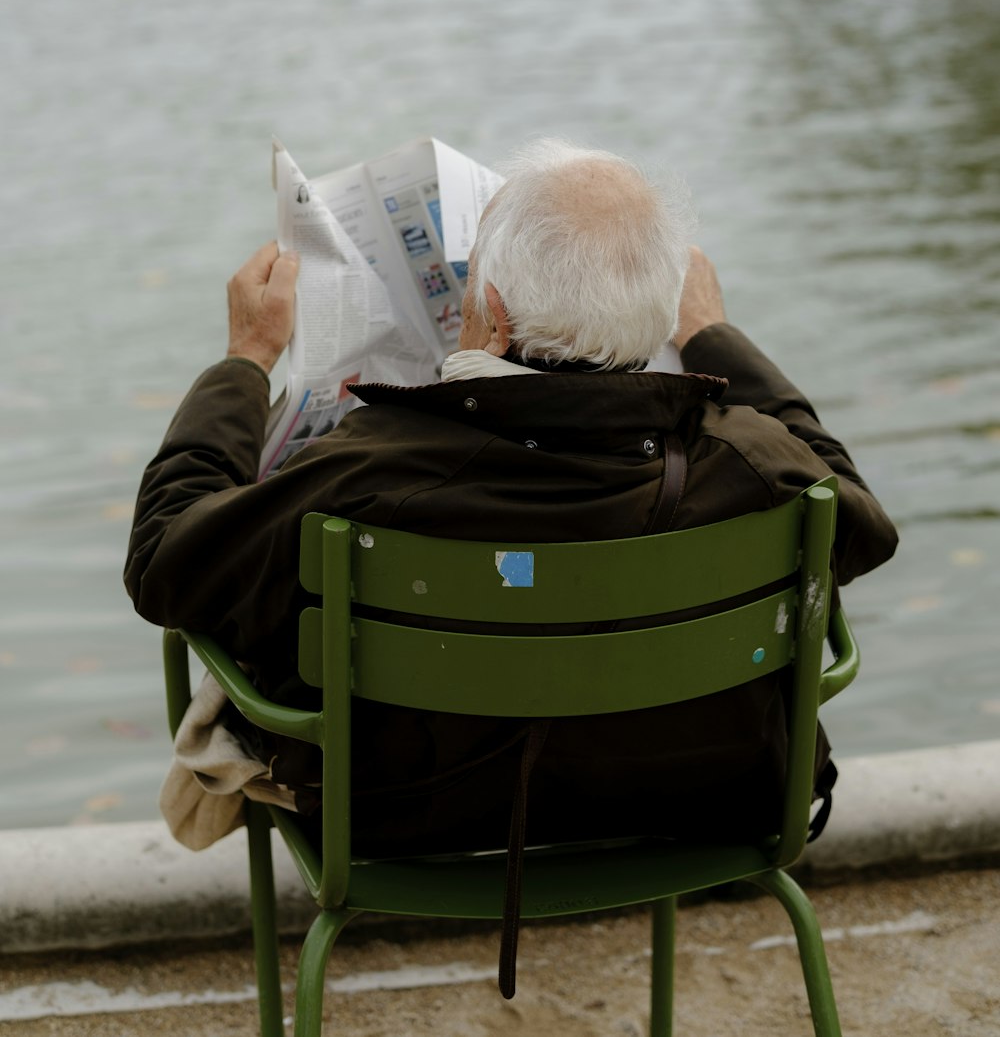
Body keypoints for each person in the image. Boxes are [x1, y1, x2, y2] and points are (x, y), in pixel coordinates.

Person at [126, 138, 897, 864]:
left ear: (491, 318)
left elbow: (165, 561)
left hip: (400, 828)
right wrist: (715, 336)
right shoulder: (754, 464)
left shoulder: (367, 474)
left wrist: (246, 360)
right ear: (660, 314)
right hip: (702, 809)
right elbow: (861, 516)